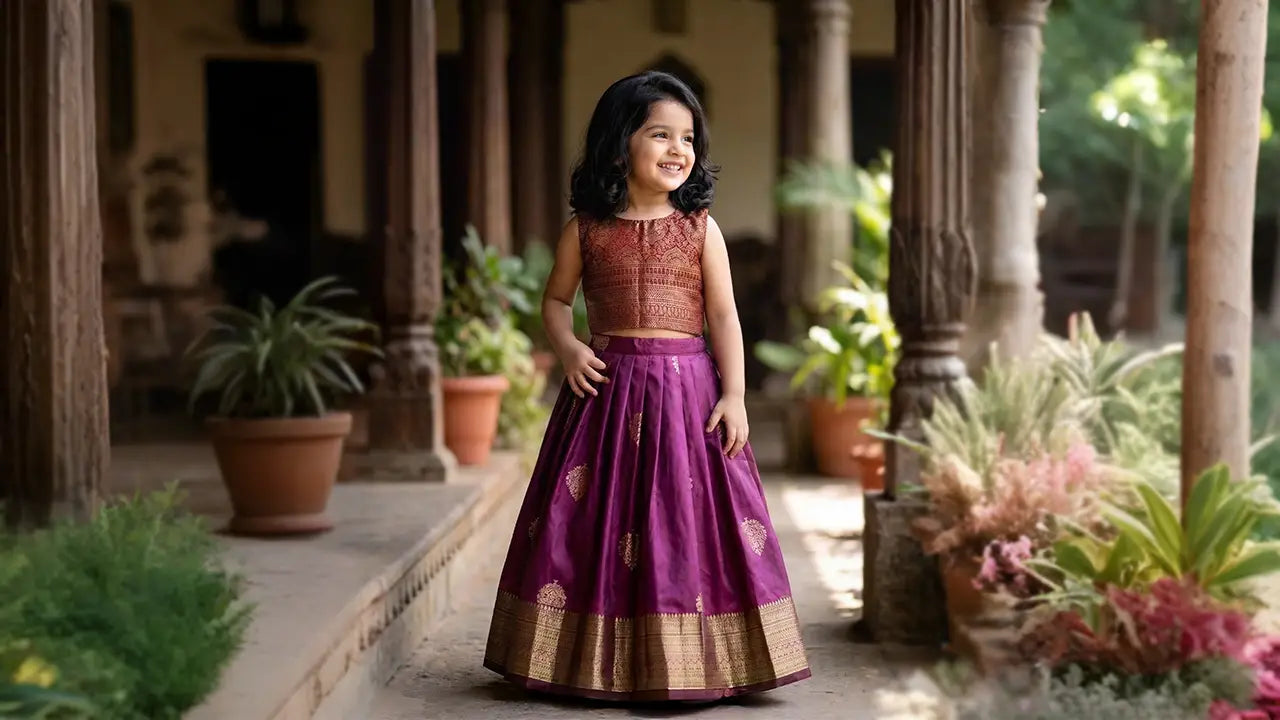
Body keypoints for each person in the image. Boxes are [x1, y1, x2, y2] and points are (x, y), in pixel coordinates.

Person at [483, 71, 811, 702]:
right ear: (618, 144)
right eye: (660, 134)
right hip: (604, 395)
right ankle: (585, 662)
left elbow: (723, 317)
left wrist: (735, 394)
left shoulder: (700, 228)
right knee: (592, 526)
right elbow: (554, 301)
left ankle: (704, 663)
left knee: (685, 523)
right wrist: (568, 346)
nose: (677, 150)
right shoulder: (587, 228)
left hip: (688, 397)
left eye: (687, 137)